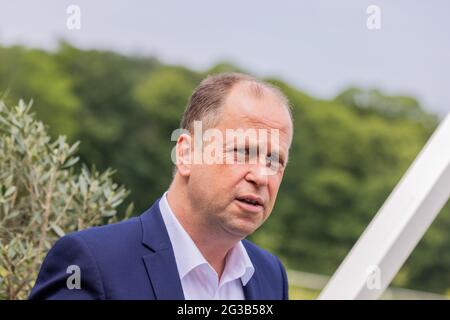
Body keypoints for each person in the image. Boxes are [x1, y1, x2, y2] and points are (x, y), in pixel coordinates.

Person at [29, 72, 294, 300]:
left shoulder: (271, 276)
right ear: (186, 154)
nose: (261, 176)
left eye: (275, 160)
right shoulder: (90, 263)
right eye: (242, 152)